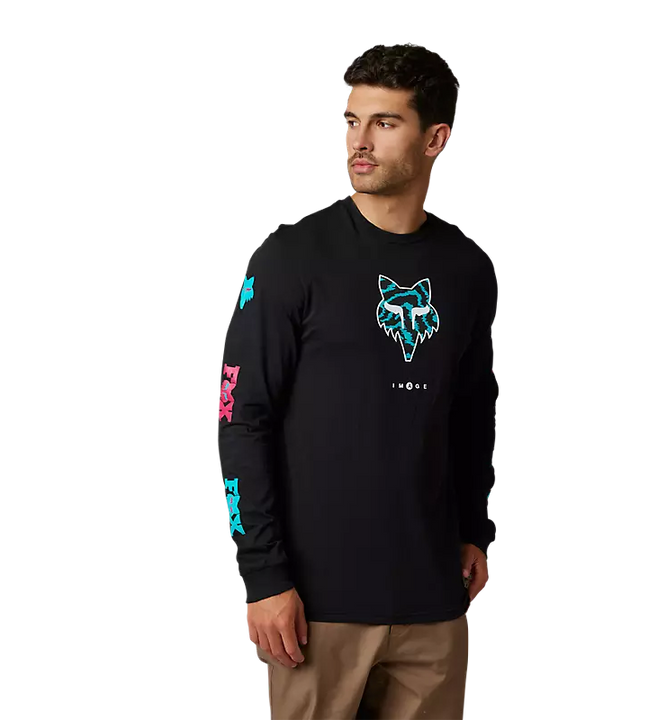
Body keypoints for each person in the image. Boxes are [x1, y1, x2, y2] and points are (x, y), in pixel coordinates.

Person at [215, 40, 500, 719]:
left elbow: (472, 409)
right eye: (351, 121)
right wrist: (263, 577)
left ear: (437, 139)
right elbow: (239, 417)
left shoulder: (468, 267)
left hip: (435, 602)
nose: (359, 142)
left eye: (384, 122)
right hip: (316, 608)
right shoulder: (290, 255)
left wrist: (475, 529)